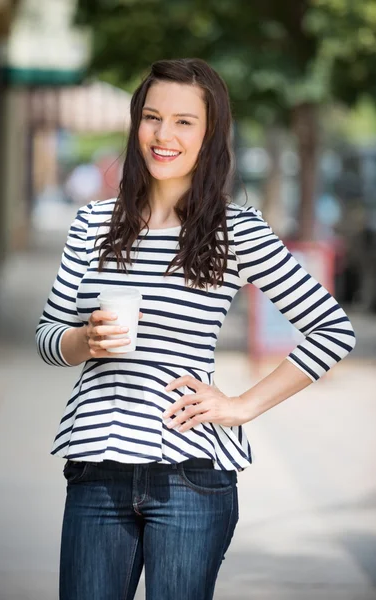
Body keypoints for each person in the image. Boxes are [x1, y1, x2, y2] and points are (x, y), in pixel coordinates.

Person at [36, 58, 356, 600]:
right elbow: (48, 336)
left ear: (210, 135)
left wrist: (241, 406)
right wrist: (82, 340)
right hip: (97, 469)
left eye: (185, 121)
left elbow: (332, 330)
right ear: (136, 122)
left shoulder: (235, 229)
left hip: (190, 475)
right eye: (152, 117)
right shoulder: (92, 222)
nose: (164, 135)